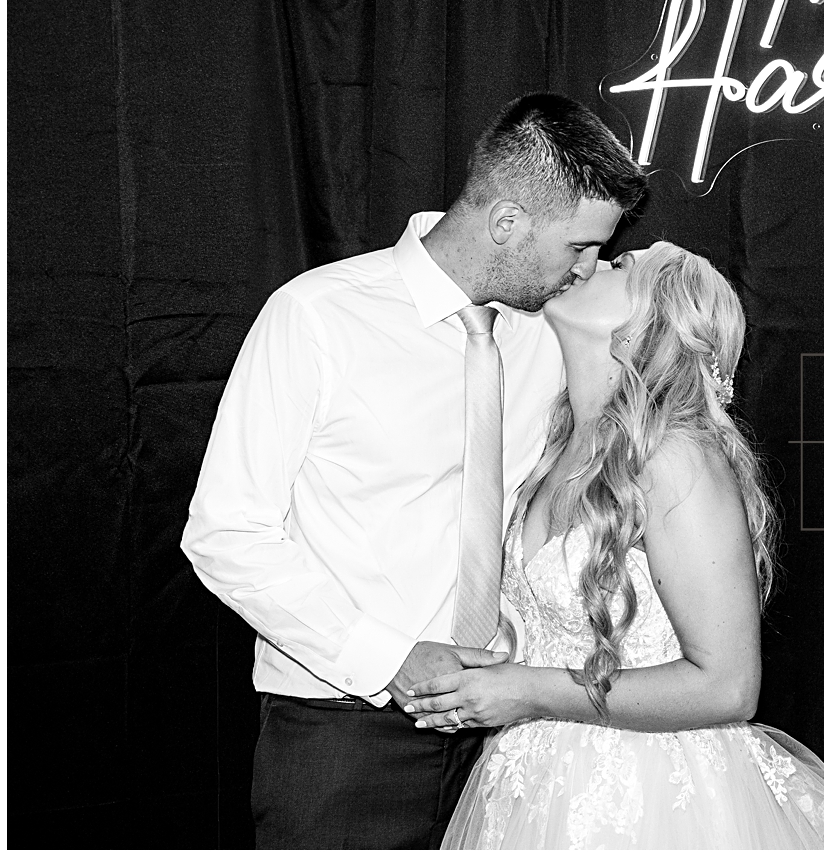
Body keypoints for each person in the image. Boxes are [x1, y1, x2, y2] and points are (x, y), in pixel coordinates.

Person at [181, 93, 647, 848]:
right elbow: (225, 533)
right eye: (579, 247)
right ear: (507, 224)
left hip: (509, 735)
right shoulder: (317, 317)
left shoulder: (553, 336)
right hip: (342, 734)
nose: (588, 270)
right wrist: (389, 659)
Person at [403, 241, 824, 849]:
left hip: (651, 795)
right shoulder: (553, 443)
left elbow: (728, 686)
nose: (594, 263)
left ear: (650, 325)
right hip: (534, 782)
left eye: (622, 266)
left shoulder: (675, 458)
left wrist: (526, 690)